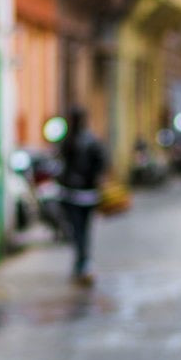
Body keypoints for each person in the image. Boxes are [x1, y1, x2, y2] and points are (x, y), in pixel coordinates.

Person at [58, 107, 107, 285]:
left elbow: (62, 164)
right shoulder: (90, 140)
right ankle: (83, 261)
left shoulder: (70, 141)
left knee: (78, 230)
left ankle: (82, 261)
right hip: (85, 195)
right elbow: (101, 164)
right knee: (83, 230)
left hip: (74, 195)